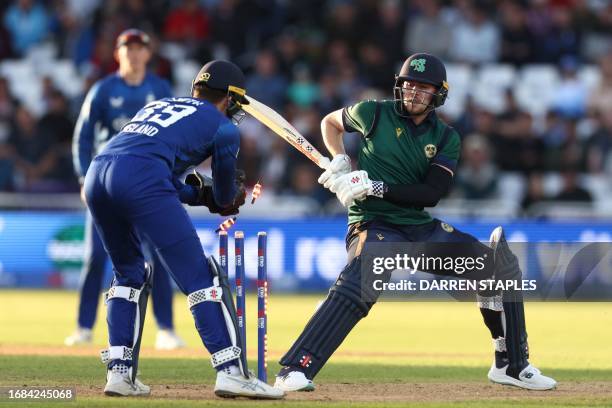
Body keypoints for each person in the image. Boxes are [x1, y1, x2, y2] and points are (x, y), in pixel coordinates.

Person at [274, 53, 557, 392]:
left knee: (499, 268)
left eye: (423, 88)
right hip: (373, 224)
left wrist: (375, 185)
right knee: (360, 284)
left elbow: (431, 193)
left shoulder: (446, 136)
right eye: (409, 85)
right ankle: (294, 369)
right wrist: (339, 159)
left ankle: (511, 364)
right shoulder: (372, 112)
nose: (413, 92)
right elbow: (330, 124)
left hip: (419, 227)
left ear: (439, 94)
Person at [83, 59, 284, 399]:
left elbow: (150, 172)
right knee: (200, 276)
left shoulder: (160, 104)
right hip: (141, 178)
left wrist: (196, 193)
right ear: (231, 99)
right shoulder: (223, 127)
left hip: (98, 174)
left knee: (129, 274)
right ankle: (231, 371)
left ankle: (119, 374)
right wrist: (221, 197)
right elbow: (223, 197)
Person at [67, 29, 184, 350]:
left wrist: (170, 176)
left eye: (139, 48)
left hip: (147, 185)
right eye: (127, 48)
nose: (133, 54)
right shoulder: (104, 90)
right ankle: (83, 327)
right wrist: (83, 177)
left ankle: (166, 329)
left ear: (148, 54)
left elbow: (176, 135)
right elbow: (83, 136)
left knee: (158, 256)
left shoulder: (159, 89)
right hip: (108, 183)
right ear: (117, 53)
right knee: (95, 257)